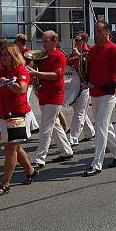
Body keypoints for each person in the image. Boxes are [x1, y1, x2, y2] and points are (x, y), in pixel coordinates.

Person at [0, 44, 37, 197]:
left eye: (6, 54)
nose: (3, 57)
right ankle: (30, 171)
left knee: (10, 148)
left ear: (14, 56)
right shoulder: (2, 71)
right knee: (15, 147)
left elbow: (22, 89)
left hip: (17, 115)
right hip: (4, 115)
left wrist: (8, 83)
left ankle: (5, 184)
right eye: (2, 55)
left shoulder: (20, 70)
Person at [83, 20, 116, 177]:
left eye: (100, 31)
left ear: (108, 31)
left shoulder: (114, 49)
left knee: (100, 127)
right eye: (95, 31)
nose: (97, 34)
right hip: (95, 93)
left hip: (109, 94)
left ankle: (96, 163)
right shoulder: (93, 50)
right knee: (106, 126)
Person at [29, 31, 74, 168]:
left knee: (46, 127)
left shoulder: (59, 56)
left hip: (54, 95)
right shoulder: (42, 55)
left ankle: (40, 158)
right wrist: (33, 64)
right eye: (42, 40)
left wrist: (37, 73)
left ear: (55, 41)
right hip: (44, 94)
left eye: (46, 40)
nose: (43, 43)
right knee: (54, 124)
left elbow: (56, 75)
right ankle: (66, 151)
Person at [66, 32, 95, 145]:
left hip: (84, 87)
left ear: (84, 41)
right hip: (73, 87)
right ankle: (90, 132)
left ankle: (72, 139)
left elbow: (88, 66)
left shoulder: (89, 53)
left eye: (78, 39)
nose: (75, 41)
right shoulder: (73, 53)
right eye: (75, 39)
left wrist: (78, 55)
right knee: (80, 112)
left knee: (79, 113)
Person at [14, 34, 41, 134]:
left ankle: (30, 127)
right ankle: (34, 126)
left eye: (16, 42)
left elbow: (29, 67)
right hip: (22, 81)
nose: (15, 44)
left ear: (20, 42)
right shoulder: (18, 52)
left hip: (28, 82)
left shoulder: (28, 53)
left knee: (25, 102)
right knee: (26, 103)